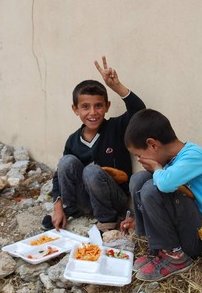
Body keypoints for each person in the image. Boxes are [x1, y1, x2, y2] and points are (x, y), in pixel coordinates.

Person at [121, 108, 202, 282]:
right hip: (188, 227)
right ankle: (157, 248)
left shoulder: (194, 156)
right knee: (139, 179)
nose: (140, 161)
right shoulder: (173, 159)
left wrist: (157, 169)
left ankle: (176, 257)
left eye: (139, 155)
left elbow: (165, 184)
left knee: (152, 187)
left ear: (152, 144)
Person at [42, 56, 146, 232]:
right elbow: (58, 176)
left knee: (91, 169)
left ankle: (107, 221)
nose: (92, 112)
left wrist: (116, 86)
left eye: (98, 106)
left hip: (114, 199)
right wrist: (57, 206)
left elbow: (139, 111)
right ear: (75, 109)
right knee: (66, 162)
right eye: (85, 107)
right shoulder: (73, 139)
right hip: (86, 199)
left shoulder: (115, 127)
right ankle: (72, 210)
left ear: (107, 106)